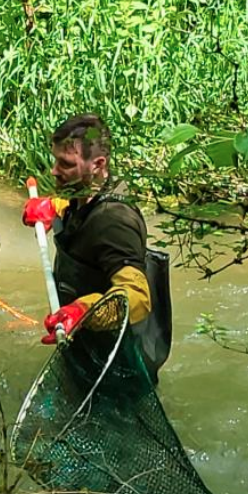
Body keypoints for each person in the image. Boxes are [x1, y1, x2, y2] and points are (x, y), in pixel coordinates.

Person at [22, 114, 152, 346]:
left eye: (66, 164)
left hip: (115, 352)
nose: (53, 171)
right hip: (79, 337)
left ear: (98, 164)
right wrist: (53, 206)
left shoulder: (115, 222)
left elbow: (138, 297)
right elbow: (84, 210)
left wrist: (84, 310)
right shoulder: (88, 191)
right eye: (55, 160)